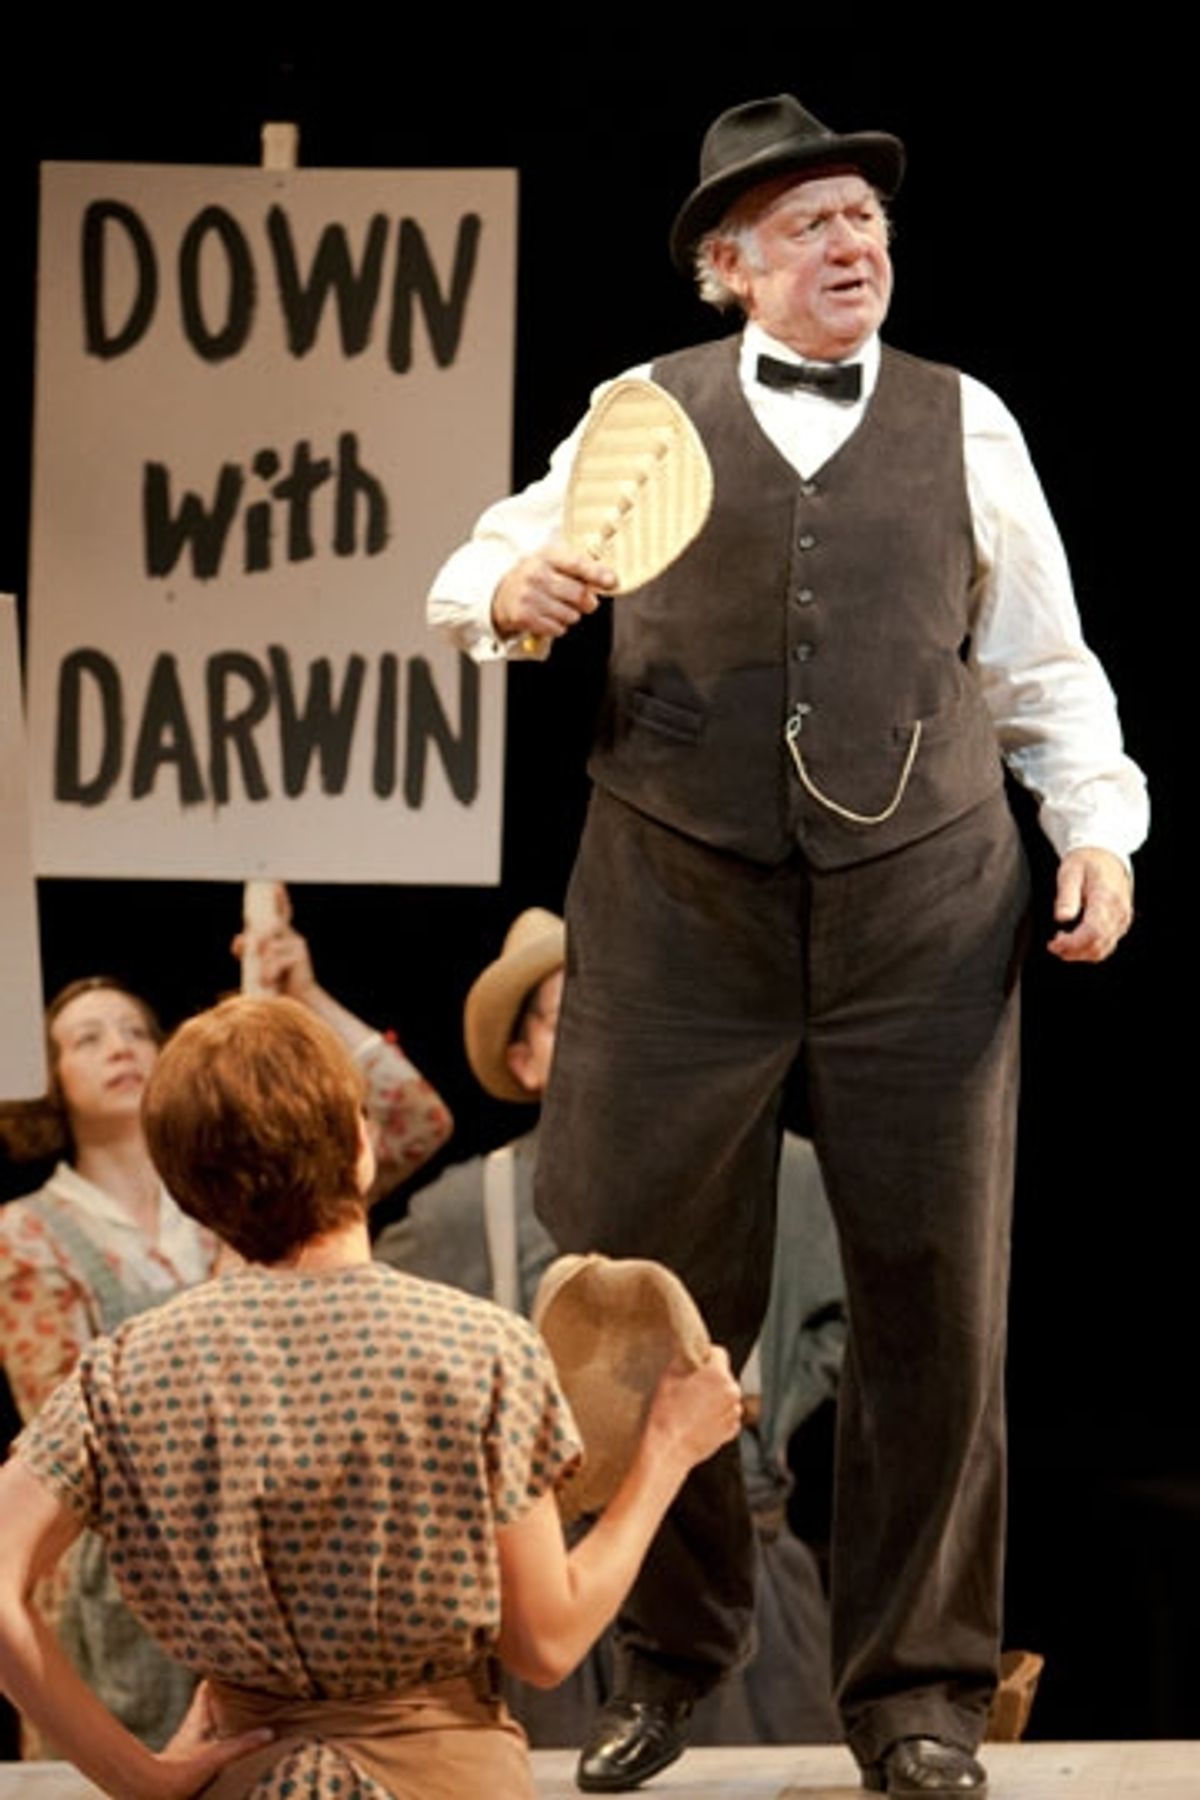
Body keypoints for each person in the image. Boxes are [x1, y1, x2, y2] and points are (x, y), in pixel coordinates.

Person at [427, 94, 1149, 1798]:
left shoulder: (965, 424)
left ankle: (916, 1699)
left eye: (865, 219)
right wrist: (505, 604)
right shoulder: (639, 414)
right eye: (811, 224)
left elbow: (1041, 662)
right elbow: (485, 565)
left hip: (923, 893)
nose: (854, 245)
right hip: (678, 901)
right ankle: (669, 1667)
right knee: (638, 1290)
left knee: (934, 1299)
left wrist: (1099, 829)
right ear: (725, 267)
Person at [0, 995, 742, 1800]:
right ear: (360, 1147)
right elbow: (548, 1643)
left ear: (188, 1194)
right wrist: (666, 1452)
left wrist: (137, 1777)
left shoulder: (121, 1373)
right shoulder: (478, 1350)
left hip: (239, 1776)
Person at [376, 907, 845, 1750]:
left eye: (624, 1011)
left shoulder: (781, 1176)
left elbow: (869, 1316)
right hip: (555, 1587)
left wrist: (772, 1411)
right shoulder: (457, 1215)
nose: (605, 1036)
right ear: (524, 1060)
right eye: (571, 1016)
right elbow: (384, 1363)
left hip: (742, 1581)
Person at [0, 957, 451, 1756]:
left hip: (264, 1562)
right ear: (50, 1077)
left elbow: (411, 1119)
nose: (122, 1047)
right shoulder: (24, 1233)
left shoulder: (238, 1205)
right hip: (112, 1582)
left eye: (139, 1030)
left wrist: (301, 992)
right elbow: (76, 1417)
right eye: (88, 1038)